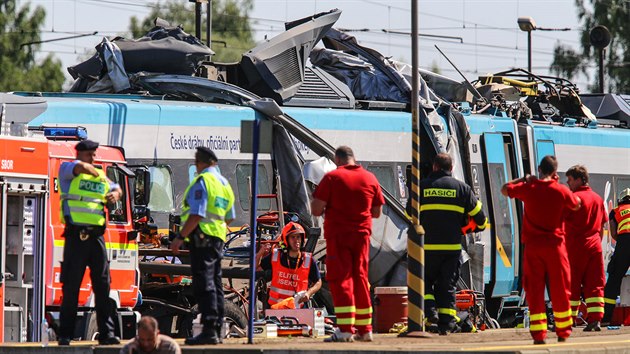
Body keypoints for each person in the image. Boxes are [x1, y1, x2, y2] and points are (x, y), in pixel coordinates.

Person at [501, 155, 581, 344]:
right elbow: (576, 204)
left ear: (539, 169)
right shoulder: (561, 190)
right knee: (560, 289)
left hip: (533, 247)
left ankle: (539, 335)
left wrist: (524, 179)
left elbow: (504, 189)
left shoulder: (529, 188)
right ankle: (563, 331)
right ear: (555, 171)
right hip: (555, 246)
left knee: (534, 290)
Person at [311, 146, 384, 342]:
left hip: (339, 236)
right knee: (360, 278)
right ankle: (365, 329)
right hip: (361, 236)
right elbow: (376, 212)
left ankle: (345, 329)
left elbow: (316, 210)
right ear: (353, 158)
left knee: (341, 279)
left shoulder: (332, 178)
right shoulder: (370, 178)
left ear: (337, 159)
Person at [58, 139, 123, 346]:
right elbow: (80, 167)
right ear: (80, 154)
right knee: (71, 287)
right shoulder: (68, 170)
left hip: (96, 238)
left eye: (95, 155)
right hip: (76, 237)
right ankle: (65, 335)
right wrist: (91, 169)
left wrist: (115, 194)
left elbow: (116, 188)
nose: (93, 159)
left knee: (103, 287)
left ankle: (107, 333)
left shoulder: (101, 176)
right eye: (90, 154)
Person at [170, 146, 235, 345]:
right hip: (217, 238)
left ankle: (208, 331)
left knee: (204, 284)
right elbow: (230, 217)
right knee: (216, 284)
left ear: (200, 163)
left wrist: (180, 236)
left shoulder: (203, 181)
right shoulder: (224, 183)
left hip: (202, 238)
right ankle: (216, 328)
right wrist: (217, 231)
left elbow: (197, 214)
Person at [420, 153, 488, 335]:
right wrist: (465, 228)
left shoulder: (421, 187)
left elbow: (407, 215)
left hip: (425, 248)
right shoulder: (462, 189)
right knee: (447, 286)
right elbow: (481, 221)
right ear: (451, 169)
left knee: (423, 282)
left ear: (434, 167)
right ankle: (447, 323)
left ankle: (430, 311)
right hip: (451, 249)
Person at [564, 165, 607, 331]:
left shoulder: (573, 199)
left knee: (570, 286)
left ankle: (568, 321)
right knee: (595, 285)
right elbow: (603, 225)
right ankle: (595, 320)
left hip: (575, 247)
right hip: (595, 247)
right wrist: (596, 242)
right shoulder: (597, 199)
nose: (568, 183)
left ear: (579, 179)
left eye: (570, 180)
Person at [256, 222, 322, 309]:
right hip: (276, 309)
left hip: (298, 309)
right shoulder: (276, 256)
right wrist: (260, 253)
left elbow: (318, 282)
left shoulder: (308, 260)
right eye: (293, 237)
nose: (296, 240)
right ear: (286, 239)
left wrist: (308, 293)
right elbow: (257, 268)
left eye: (298, 237)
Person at [602, 188, 630, 324]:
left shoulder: (615, 211)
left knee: (614, 279)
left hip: (623, 242)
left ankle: (607, 318)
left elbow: (613, 233)